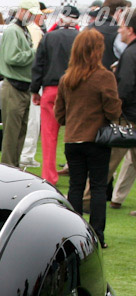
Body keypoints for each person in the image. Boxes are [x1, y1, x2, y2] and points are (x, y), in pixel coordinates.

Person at [55, 28, 120, 248]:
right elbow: (113, 111)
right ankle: (97, 237)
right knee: (98, 188)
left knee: (75, 186)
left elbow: (59, 114)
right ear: (98, 51)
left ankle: (73, 234)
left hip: (73, 140)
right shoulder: (104, 77)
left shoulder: (66, 78)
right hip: (96, 140)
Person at [30, 4, 79, 185]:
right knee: (75, 135)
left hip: (51, 89)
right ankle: (76, 172)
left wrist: (35, 90)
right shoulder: (81, 38)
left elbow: (38, 65)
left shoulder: (49, 37)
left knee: (49, 135)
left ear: (60, 19)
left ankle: (49, 175)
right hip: (75, 90)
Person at [0, 0, 38, 168]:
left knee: (21, 131)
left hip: (23, 86)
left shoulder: (22, 30)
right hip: (14, 86)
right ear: (22, 11)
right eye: (31, 13)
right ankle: (7, 167)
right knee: (12, 134)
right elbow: (12, 58)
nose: (33, 17)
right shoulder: (13, 31)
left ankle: (14, 166)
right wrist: (35, 52)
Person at [110, 13, 136, 211]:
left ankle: (87, 198)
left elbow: (126, 86)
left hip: (128, 116)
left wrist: (115, 109)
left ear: (130, 30)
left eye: (121, 27)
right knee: (130, 161)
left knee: (110, 159)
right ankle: (117, 198)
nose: (119, 31)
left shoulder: (130, 53)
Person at [18, 3, 49, 168]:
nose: (44, 17)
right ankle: (27, 154)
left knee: (30, 120)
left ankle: (26, 153)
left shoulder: (29, 29)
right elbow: (37, 57)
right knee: (33, 120)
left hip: (28, 78)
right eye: (42, 14)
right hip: (33, 79)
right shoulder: (35, 30)